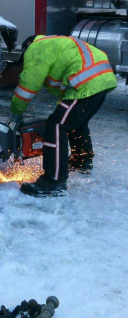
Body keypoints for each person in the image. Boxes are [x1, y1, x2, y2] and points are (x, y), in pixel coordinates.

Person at [10, 35, 117, 197]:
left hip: (86, 81)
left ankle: (53, 181)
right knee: (74, 122)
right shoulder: (55, 42)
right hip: (102, 78)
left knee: (56, 125)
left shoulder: (36, 48)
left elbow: (28, 85)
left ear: (27, 45)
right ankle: (82, 163)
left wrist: (16, 112)